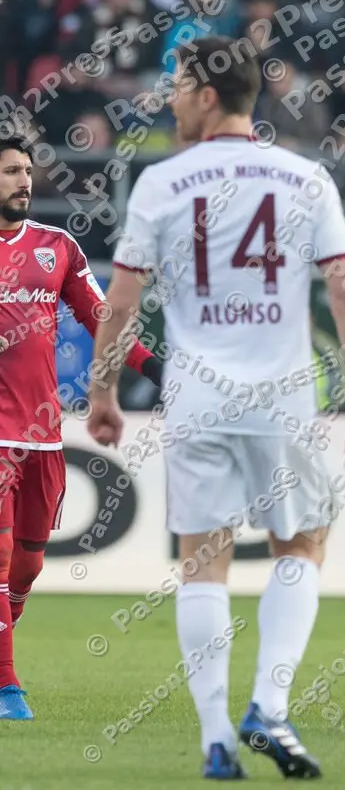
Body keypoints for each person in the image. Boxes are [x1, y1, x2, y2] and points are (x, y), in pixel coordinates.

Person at [86, 36, 345, 780]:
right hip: (281, 396)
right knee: (302, 546)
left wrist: (102, 390)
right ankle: (271, 709)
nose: (173, 99)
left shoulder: (162, 182)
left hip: (196, 397)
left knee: (202, 562)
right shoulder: (304, 177)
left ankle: (217, 737)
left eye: (181, 87)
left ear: (210, 95)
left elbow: (121, 302)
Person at [0, 138, 162, 721]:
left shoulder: (56, 248)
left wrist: (152, 367)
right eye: (11, 171)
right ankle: (7, 688)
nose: (24, 180)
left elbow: (102, 317)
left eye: (26, 170)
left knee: (27, 566)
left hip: (42, 432)